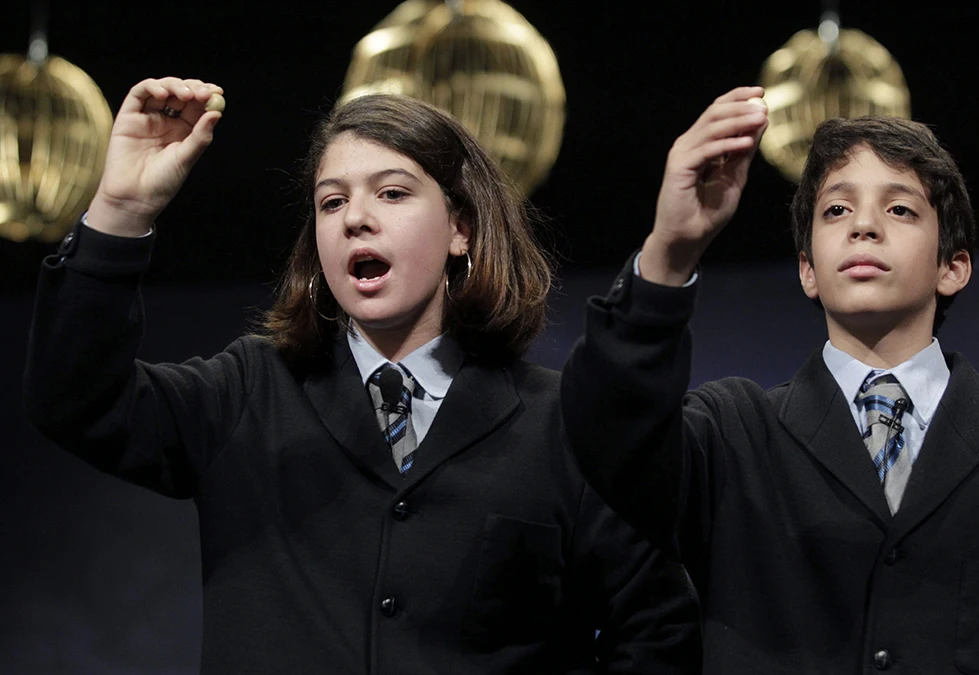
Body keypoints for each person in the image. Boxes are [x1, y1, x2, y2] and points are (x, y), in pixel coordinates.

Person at [25, 76, 700, 674]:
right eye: (330, 202)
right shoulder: (247, 392)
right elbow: (76, 398)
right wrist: (122, 210)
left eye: (393, 192)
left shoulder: (564, 423)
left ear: (460, 228)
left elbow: (657, 627)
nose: (355, 218)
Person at [561, 86, 979, 673]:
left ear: (952, 267)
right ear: (808, 270)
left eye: (900, 209)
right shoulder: (731, 436)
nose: (863, 225)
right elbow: (607, 434)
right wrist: (669, 252)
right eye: (836, 210)